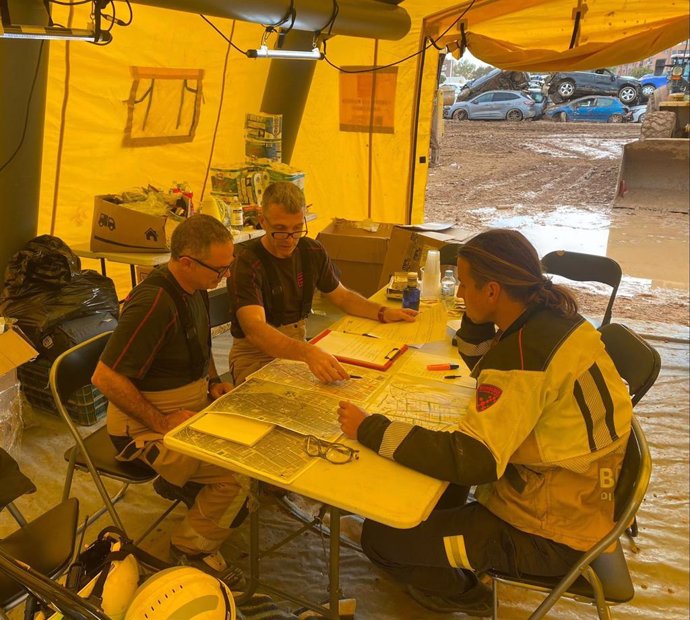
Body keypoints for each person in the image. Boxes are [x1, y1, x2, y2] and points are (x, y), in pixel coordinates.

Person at [336, 229, 633, 616]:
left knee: (380, 538)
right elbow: (482, 362)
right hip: (580, 491)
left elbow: (475, 459)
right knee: (434, 480)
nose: (458, 294)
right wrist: (478, 315)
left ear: (493, 291)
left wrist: (369, 429)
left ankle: (467, 595)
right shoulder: (548, 318)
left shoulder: (523, 360)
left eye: (463, 284)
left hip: (547, 532)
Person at [92, 214, 249, 585]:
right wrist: (160, 423)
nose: (225, 276)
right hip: (141, 429)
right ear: (186, 263)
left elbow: (202, 344)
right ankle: (188, 549)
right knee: (239, 476)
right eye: (220, 269)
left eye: (229, 266)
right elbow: (104, 377)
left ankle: (182, 483)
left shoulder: (194, 289)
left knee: (252, 435)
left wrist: (212, 382)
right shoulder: (154, 302)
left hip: (186, 408)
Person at [227, 181, 417, 385]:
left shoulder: (311, 251)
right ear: (262, 221)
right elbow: (256, 329)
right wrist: (307, 352)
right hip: (256, 357)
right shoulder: (248, 262)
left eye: (297, 229)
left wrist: (382, 312)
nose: (290, 239)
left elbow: (343, 296)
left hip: (297, 351)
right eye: (280, 230)